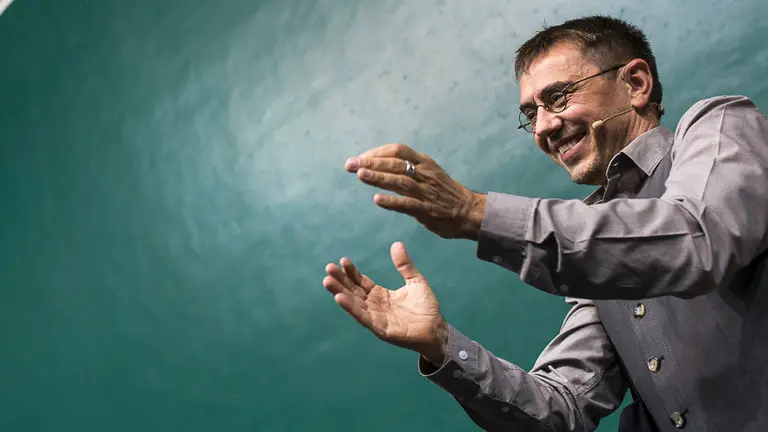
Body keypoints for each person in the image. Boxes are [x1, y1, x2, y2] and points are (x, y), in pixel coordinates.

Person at [321, 15, 768, 432]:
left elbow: (694, 236)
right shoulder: (593, 255)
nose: (543, 128)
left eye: (557, 97)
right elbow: (564, 407)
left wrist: (475, 213)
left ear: (636, 82)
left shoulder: (721, 124)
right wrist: (440, 345)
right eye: (530, 114)